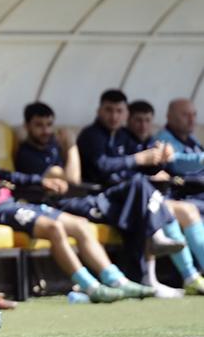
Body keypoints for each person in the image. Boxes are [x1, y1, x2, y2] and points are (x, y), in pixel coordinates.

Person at [0, 103, 156, 302]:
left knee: (80, 224)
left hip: (13, 203)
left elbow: (6, 175)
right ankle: (91, 287)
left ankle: (117, 280)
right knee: (54, 228)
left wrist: (41, 181)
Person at [74, 90, 192, 282]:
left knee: (142, 191)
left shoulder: (122, 136)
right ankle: (157, 254)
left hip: (126, 198)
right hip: (99, 198)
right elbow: (102, 166)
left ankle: (152, 275)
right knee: (140, 188)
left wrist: (160, 160)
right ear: (99, 111)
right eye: (109, 110)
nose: (114, 116)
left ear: (125, 114)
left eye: (119, 111)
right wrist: (138, 158)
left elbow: (144, 167)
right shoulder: (91, 135)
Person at [125, 100, 204, 296]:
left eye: (147, 120)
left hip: (159, 198)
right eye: (185, 115)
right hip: (144, 201)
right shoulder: (158, 140)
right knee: (178, 210)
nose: (191, 119)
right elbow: (175, 165)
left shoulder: (187, 141)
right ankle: (190, 276)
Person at [14, 102, 80, 185]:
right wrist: (71, 145)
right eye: (39, 125)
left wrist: (64, 147)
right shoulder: (26, 155)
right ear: (26, 126)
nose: (46, 131)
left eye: (49, 124)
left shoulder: (52, 145)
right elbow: (73, 181)